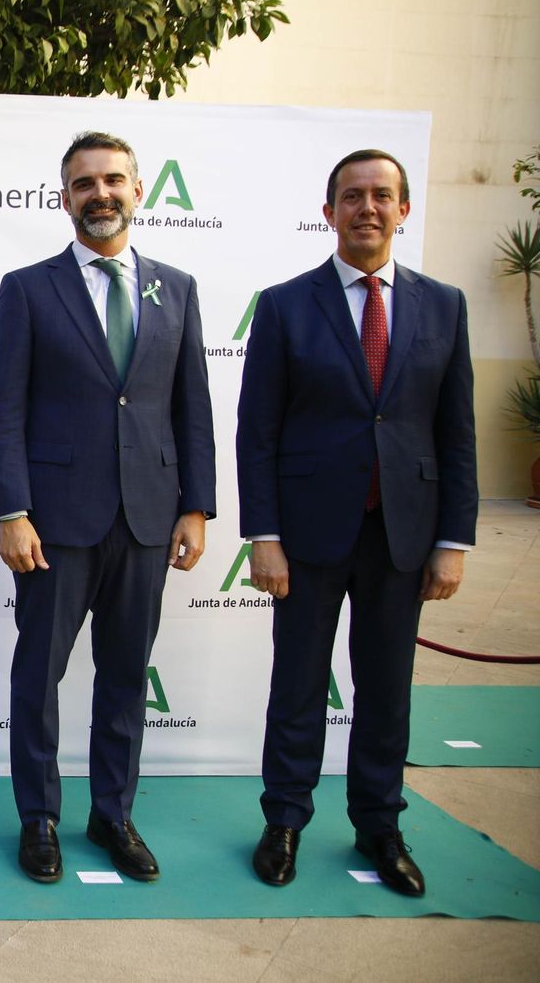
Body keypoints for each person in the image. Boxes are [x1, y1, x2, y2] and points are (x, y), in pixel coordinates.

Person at [237, 150, 477, 898]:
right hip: (307, 535)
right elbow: (259, 432)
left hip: (403, 535)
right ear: (329, 210)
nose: (367, 208)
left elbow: (456, 432)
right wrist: (263, 535)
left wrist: (452, 540)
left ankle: (379, 823)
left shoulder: (445, 306)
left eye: (382, 196)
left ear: (404, 210)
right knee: (299, 685)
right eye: (352, 197)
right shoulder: (283, 304)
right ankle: (284, 821)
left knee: (386, 689)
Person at [0, 132, 215, 884]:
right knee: (38, 675)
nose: (101, 193)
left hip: (149, 518)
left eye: (114, 180)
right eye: (85, 183)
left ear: (139, 190)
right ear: (65, 198)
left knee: (124, 675)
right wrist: (12, 510)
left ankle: (112, 813)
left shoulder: (175, 287)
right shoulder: (28, 287)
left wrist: (198, 507)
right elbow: (4, 411)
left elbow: (193, 408)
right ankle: (39, 818)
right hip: (54, 522)